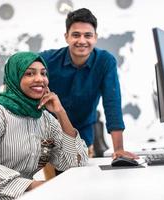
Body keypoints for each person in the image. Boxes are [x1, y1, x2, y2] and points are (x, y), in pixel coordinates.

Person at [0, 52, 88, 199]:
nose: (40, 79)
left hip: (30, 195)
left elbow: (73, 164)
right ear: (15, 78)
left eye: (43, 74)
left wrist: (61, 113)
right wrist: (33, 186)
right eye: (29, 74)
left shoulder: (45, 119)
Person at [40, 8, 138, 159]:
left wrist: (118, 149)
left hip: (83, 135)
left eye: (88, 35)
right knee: (53, 183)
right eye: (76, 35)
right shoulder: (47, 60)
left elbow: (112, 103)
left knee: (83, 180)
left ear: (95, 37)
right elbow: (19, 73)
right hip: (48, 137)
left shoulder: (105, 62)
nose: (82, 41)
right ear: (66, 37)